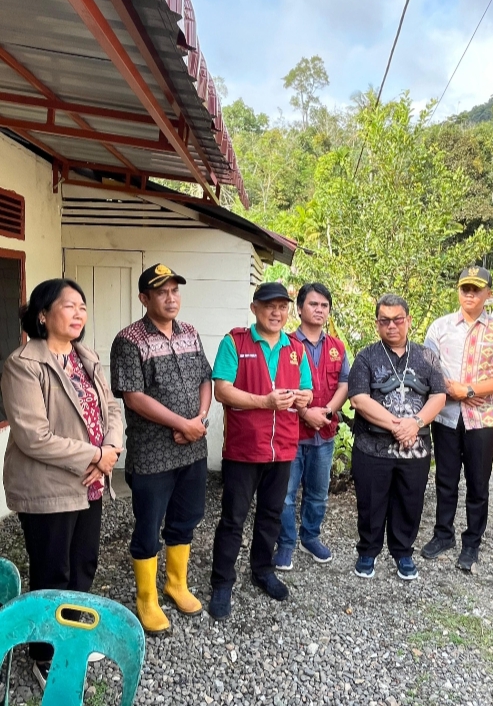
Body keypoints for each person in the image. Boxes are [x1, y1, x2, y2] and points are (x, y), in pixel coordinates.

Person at [1, 278, 123, 687]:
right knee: (53, 571)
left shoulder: (86, 357)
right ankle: (44, 654)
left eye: (82, 307)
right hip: (48, 487)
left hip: (91, 482)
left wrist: (111, 449)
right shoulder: (23, 363)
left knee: (84, 564)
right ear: (42, 314)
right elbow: (33, 436)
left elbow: (111, 409)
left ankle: (72, 636)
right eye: (69, 305)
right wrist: (95, 456)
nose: (78, 313)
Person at [110, 263, 212, 634]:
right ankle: (146, 599)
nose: (171, 298)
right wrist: (182, 424)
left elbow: (205, 379)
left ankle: (176, 584)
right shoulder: (129, 340)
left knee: (186, 518)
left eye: (174, 290)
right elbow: (133, 397)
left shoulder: (191, 333)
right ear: (144, 298)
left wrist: (199, 419)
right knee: (149, 525)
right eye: (161, 292)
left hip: (192, 449)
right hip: (153, 454)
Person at [209, 282, 313, 620]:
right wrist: (265, 401)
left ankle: (262, 570)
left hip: (282, 448)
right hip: (244, 449)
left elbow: (307, 390)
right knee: (233, 518)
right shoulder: (235, 342)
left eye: (282, 307)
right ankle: (222, 582)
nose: (276, 313)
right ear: (255, 308)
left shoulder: (295, 348)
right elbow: (222, 390)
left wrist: (304, 398)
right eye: (270, 306)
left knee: (271, 514)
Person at [348, 294, 447, 579]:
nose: (391, 325)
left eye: (397, 319)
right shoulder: (366, 356)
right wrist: (398, 426)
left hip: (415, 448)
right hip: (372, 446)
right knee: (370, 501)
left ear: (408, 321)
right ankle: (368, 552)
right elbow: (358, 399)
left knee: (409, 501)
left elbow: (439, 395)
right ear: (377, 324)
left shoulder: (427, 357)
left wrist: (415, 424)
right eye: (385, 320)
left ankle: (403, 553)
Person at [423, 267, 493, 571]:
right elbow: (429, 368)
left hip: (482, 419)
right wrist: (456, 391)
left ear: (488, 293)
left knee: (478, 483)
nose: (470, 295)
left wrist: (471, 390)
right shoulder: (440, 327)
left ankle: (472, 542)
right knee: (445, 479)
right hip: (446, 415)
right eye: (465, 289)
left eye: (476, 289)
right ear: (458, 291)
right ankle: (443, 534)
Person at [274, 283, 350, 571]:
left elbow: (344, 384)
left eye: (324, 305)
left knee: (318, 493)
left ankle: (310, 537)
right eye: (313, 304)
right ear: (299, 308)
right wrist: (306, 413)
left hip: (324, 434)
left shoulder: (337, 347)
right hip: (292, 434)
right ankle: (286, 543)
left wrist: (326, 411)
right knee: (285, 495)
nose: (319, 310)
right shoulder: (285, 344)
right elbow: (278, 385)